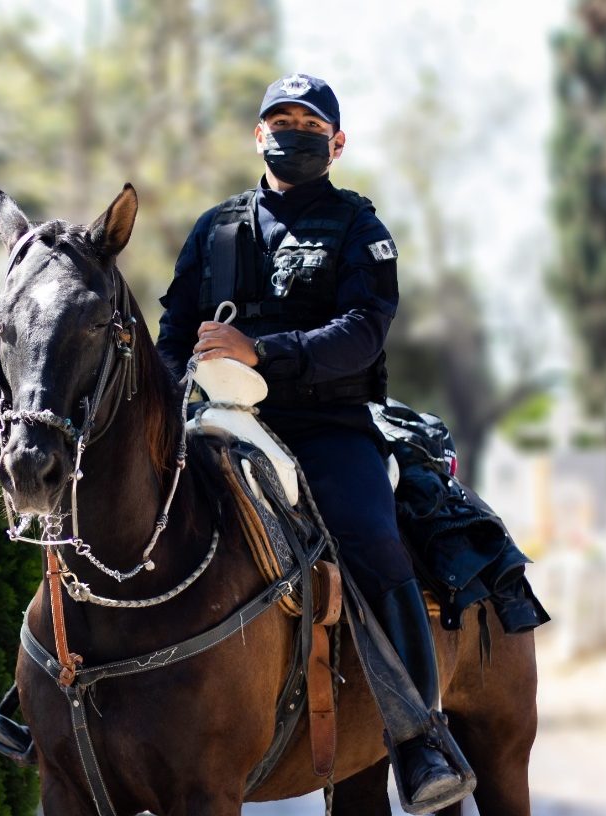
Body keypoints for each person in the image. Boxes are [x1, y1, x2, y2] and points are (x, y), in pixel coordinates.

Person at [156, 73, 469, 811]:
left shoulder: (361, 227)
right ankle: (44, 693)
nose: (289, 130)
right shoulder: (214, 229)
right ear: (256, 134)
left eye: (306, 120)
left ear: (336, 141)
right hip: (223, 424)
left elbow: (363, 332)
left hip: (327, 430)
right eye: (277, 119)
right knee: (127, 504)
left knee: (373, 539)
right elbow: (172, 332)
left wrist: (262, 352)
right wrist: (176, 396)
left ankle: (418, 736)